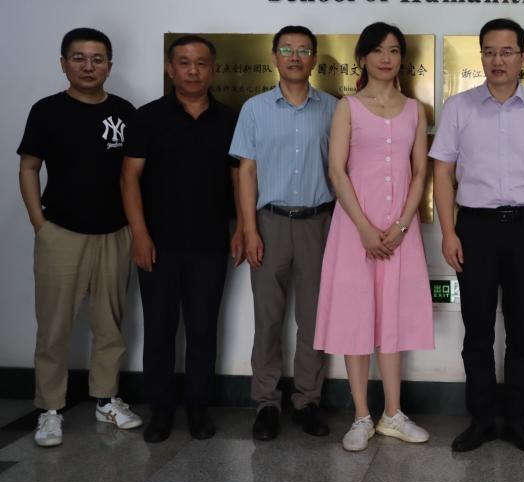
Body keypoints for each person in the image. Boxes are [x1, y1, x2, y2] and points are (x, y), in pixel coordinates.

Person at [430, 18, 524, 454]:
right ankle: (481, 420)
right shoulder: (459, 107)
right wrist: (448, 232)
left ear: (523, 57)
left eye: (507, 52)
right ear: (481, 56)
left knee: (522, 330)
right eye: (489, 51)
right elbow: (442, 172)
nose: (498, 60)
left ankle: (517, 420)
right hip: (474, 228)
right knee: (476, 329)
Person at [17, 27, 141, 447]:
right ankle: (50, 409)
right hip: (61, 233)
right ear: (64, 63)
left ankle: (106, 399)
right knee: (53, 328)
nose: (88, 66)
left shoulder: (124, 111)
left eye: (97, 59)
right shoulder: (47, 110)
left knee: (110, 324)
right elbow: (29, 167)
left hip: (115, 233)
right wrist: (39, 223)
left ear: (109, 65)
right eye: (79, 58)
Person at [314, 23, 434, 452]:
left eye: (395, 50)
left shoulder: (415, 110)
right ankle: (362, 416)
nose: (387, 58)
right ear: (362, 57)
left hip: (400, 231)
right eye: (378, 50)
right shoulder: (347, 107)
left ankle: (393, 414)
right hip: (355, 230)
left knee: (393, 315)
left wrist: (401, 226)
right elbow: (336, 171)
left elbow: (420, 171)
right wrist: (365, 228)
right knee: (356, 315)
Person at [120, 35, 243, 443]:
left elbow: (238, 179)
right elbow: (129, 178)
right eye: (185, 63)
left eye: (201, 63)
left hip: (211, 243)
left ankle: (197, 407)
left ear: (213, 70)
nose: (193, 70)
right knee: (159, 328)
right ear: (170, 69)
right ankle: (160, 408)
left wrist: (243, 227)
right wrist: (140, 234)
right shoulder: (148, 117)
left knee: (204, 329)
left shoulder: (229, 120)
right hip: (158, 243)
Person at [230, 25, 337, 441]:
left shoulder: (332, 109)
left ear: (314, 59)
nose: (294, 57)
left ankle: (308, 400)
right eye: (287, 49)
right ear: (274, 56)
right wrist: (249, 228)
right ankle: (267, 403)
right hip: (269, 223)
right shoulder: (255, 109)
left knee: (313, 319)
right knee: (268, 318)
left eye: (303, 50)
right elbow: (246, 172)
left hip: (318, 224)